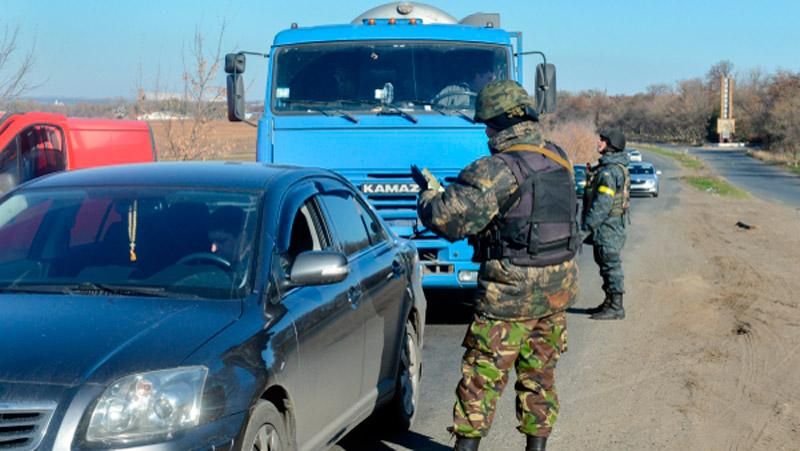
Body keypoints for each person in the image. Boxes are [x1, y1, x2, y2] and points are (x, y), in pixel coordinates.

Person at [416, 80, 579, 451]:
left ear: (498, 123)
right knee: (540, 375)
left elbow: (447, 220)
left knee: (482, 378)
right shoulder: (559, 157)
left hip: (510, 294)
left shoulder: (497, 169)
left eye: (486, 125)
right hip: (557, 291)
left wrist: (428, 194)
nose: (486, 132)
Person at [581, 129, 631, 320]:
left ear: (611, 144)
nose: (598, 141)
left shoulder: (609, 172)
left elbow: (602, 205)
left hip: (608, 228)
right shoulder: (610, 168)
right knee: (604, 265)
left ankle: (616, 306)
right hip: (608, 227)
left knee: (611, 265)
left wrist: (585, 229)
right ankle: (609, 302)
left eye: (602, 140)